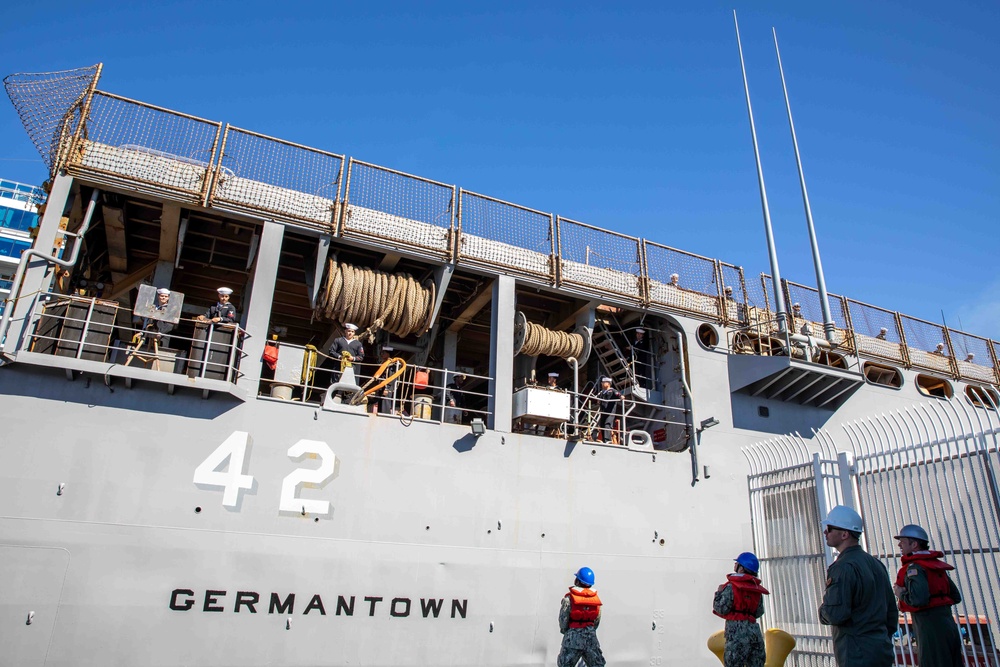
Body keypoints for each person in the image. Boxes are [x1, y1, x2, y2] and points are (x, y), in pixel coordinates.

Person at [818, 505, 897, 667]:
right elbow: (891, 613)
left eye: (830, 528)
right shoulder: (876, 564)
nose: (826, 532)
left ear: (845, 534)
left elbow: (835, 613)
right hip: (880, 649)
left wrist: (822, 611)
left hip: (856, 652)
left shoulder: (842, 567)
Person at [892, 524, 963, 667]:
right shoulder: (935, 566)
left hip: (929, 626)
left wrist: (901, 593)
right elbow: (955, 596)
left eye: (903, 541)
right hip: (948, 624)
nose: (899, 545)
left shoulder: (915, 567)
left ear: (914, 544)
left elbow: (919, 599)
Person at [713, 552, 768, 667]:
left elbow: (721, 608)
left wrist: (718, 593)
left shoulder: (731, 587)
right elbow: (759, 612)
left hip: (736, 634)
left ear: (742, 569)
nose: (734, 566)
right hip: (754, 633)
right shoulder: (756, 590)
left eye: (737, 564)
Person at [557, 566, 606, 667]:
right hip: (591, 639)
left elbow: (563, 620)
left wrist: (567, 631)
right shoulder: (595, 601)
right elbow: (596, 621)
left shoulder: (569, 599)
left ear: (577, 581)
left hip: (572, 640)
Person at [373, 346, 401, 415]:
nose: (382, 354)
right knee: (380, 403)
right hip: (381, 387)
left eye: (384, 353)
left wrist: (387, 388)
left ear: (388, 354)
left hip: (386, 388)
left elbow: (391, 377)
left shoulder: (391, 365)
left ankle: (384, 417)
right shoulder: (384, 363)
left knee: (385, 404)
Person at [594, 377, 622, 444]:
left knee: (607, 424)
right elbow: (597, 397)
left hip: (610, 411)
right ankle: (603, 440)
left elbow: (617, 394)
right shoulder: (602, 392)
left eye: (603, 382)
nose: (602, 384)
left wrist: (621, 397)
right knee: (602, 425)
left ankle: (607, 440)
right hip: (603, 411)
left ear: (608, 383)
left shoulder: (612, 391)